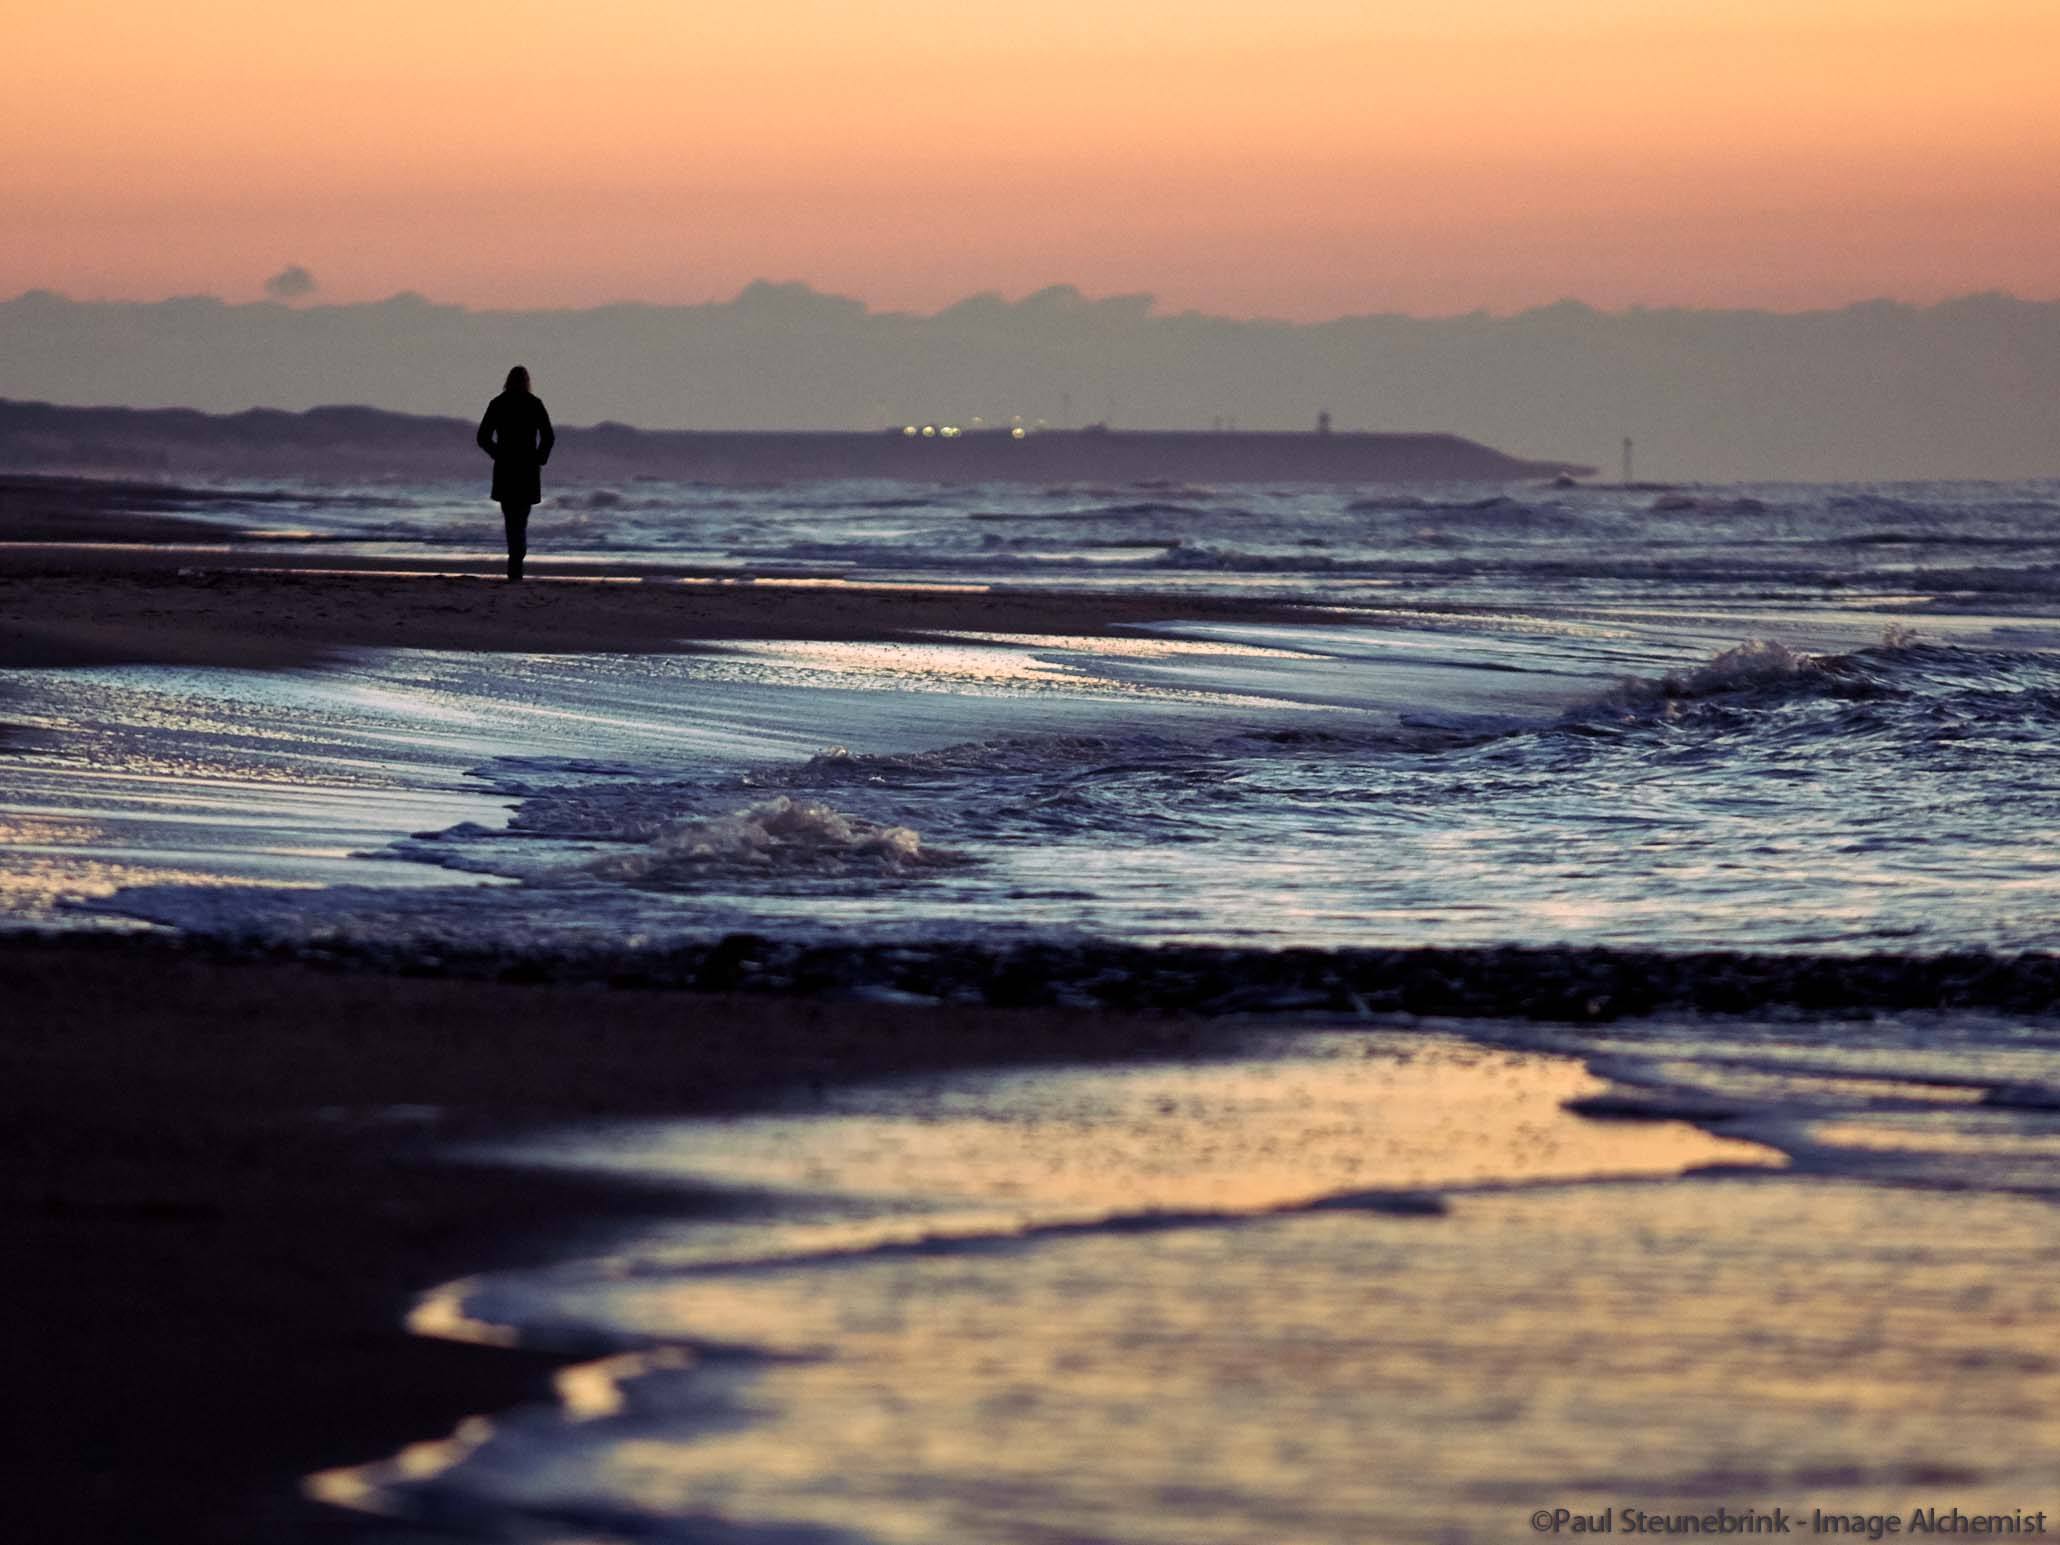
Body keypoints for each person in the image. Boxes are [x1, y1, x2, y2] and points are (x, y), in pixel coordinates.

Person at [475, 366, 554, 581]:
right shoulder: (533, 404)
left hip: (507, 468)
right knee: (520, 521)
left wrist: (497, 453)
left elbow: (482, 437)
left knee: (512, 520)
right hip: (526, 469)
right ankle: (516, 564)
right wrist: (539, 457)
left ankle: (515, 564)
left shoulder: (499, 403)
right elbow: (548, 436)